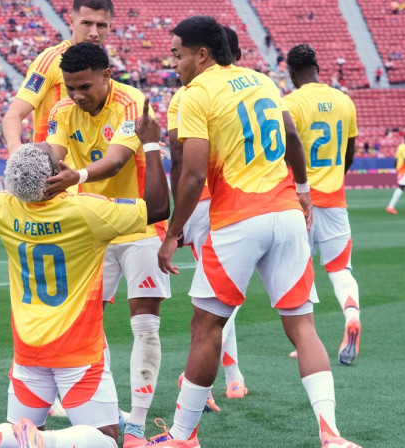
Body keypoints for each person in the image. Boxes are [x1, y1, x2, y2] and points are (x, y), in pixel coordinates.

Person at [148, 16, 361, 448]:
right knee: (303, 328)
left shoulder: (194, 94)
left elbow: (190, 175)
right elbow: (291, 137)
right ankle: (331, 433)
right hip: (285, 214)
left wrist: (173, 233)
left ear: (201, 54)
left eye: (178, 54)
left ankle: (183, 436)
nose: (174, 63)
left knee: (205, 327)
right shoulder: (262, 80)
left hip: (237, 219)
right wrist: (302, 192)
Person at [0, 99, 169, 448]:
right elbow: (157, 208)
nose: (60, 154)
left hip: (28, 350)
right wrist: (151, 143)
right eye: (55, 156)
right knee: (108, 438)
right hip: (77, 351)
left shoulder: (3, 206)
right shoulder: (87, 211)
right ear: (55, 175)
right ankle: (44, 441)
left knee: (13, 431)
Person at [42, 42, 169, 448]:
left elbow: (115, 160)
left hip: (138, 224)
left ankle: (137, 424)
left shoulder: (132, 102)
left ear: (106, 76)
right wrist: (40, 162)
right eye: (71, 87)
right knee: (87, 323)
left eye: (84, 87)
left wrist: (74, 176)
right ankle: (108, 411)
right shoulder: (62, 109)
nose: (77, 95)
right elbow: (52, 153)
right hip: (90, 228)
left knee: (145, 324)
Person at [168, 26, 247, 413]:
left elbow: (178, 159)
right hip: (220, 204)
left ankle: (228, 378)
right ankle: (224, 377)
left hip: (205, 205)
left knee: (219, 301)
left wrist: (174, 218)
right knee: (218, 303)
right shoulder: (233, 90)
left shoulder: (184, 97)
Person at [284, 43, 362, 366]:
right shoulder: (345, 101)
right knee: (340, 269)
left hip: (299, 200)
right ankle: (352, 315)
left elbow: (287, 147)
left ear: (290, 73)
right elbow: (350, 153)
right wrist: (334, 177)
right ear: (318, 67)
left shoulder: (289, 102)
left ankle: (308, 341)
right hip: (335, 199)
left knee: (301, 270)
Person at [2, 0, 114, 153]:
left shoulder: (103, 68)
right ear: (71, 22)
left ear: (110, 27)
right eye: (86, 23)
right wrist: (16, 152)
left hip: (88, 172)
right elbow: (13, 115)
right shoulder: (51, 60)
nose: (94, 32)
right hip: (53, 170)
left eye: (101, 25)